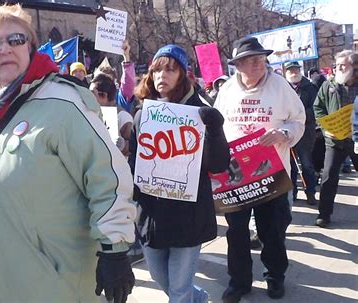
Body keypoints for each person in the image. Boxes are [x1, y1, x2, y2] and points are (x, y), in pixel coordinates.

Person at [0, 4, 136, 303]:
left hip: (51, 285)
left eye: (15, 40)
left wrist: (115, 248)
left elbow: (107, 175)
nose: (5, 49)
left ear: (31, 47)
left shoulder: (62, 102)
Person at [128, 44, 230, 303]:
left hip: (188, 215)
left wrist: (216, 132)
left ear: (183, 75)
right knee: (160, 278)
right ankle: (200, 298)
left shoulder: (200, 114)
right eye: (157, 70)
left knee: (179, 290)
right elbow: (136, 164)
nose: (162, 76)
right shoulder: (143, 115)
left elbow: (219, 165)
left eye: (170, 70)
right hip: (152, 214)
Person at [214, 37, 305, 303]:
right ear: (238, 65)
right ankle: (239, 282)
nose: (258, 64)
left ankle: (275, 277)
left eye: (261, 59)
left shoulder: (280, 87)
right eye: (251, 60)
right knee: (236, 232)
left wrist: (283, 133)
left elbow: (299, 120)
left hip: (271, 174)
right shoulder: (228, 90)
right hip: (237, 176)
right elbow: (217, 127)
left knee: (271, 231)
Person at [313, 50, 358, 228]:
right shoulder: (329, 85)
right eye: (337, 65)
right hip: (335, 140)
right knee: (328, 176)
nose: (338, 68)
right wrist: (326, 129)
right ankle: (324, 215)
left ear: (354, 67)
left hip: (356, 140)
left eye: (343, 65)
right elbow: (318, 107)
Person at [284, 61, 319, 204]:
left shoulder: (310, 87)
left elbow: (315, 107)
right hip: (288, 133)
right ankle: (293, 193)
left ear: (300, 70)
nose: (293, 73)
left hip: (305, 133)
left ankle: (310, 192)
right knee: (290, 166)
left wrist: (300, 118)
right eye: (290, 70)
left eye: (295, 69)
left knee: (307, 165)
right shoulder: (282, 89)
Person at [90, 73, 133, 157]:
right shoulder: (92, 113)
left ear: (104, 95)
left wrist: (121, 144)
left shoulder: (123, 117)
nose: (88, 97)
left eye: (92, 93)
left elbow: (131, 149)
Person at [95, 40, 136, 114]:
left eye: (106, 79)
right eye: (99, 80)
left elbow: (128, 84)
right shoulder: (90, 97)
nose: (102, 83)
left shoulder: (119, 97)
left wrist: (126, 57)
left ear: (113, 80)